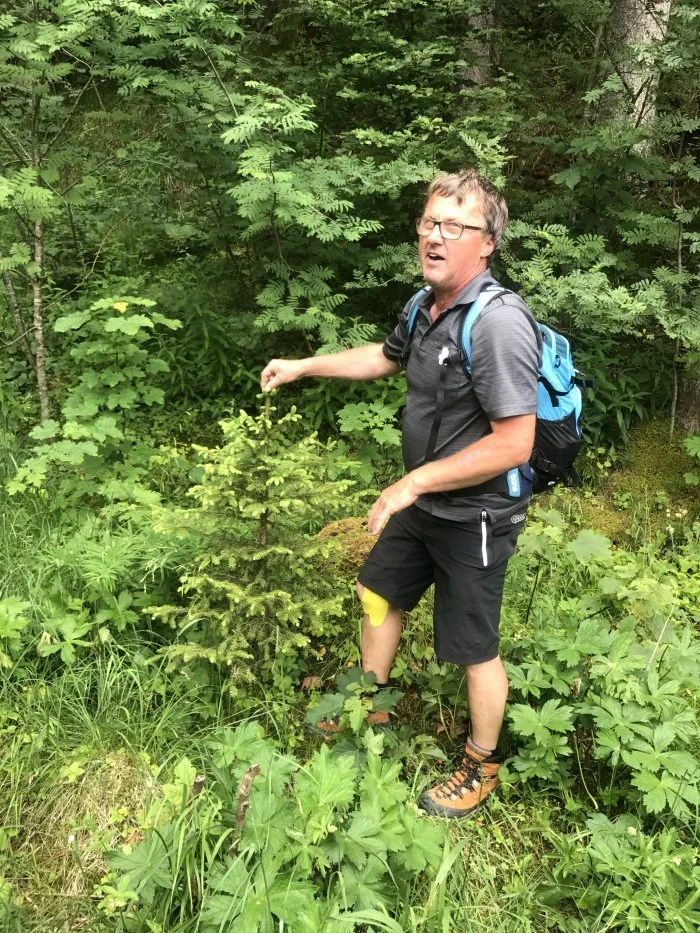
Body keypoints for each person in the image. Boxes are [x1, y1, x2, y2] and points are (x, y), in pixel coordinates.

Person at [260, 168, 540, 819]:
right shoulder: (425, 307)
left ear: (486, 242)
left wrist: (411, 481)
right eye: (428, 222)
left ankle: (481, 763)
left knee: (474, 645)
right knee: (379, 590)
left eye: (453, 225)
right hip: (422, 505)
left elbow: (515, 442)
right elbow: (383, 358)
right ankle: (368, 704)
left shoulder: (498, 323)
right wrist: (306, 365)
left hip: (475, 513)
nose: (434, 236)